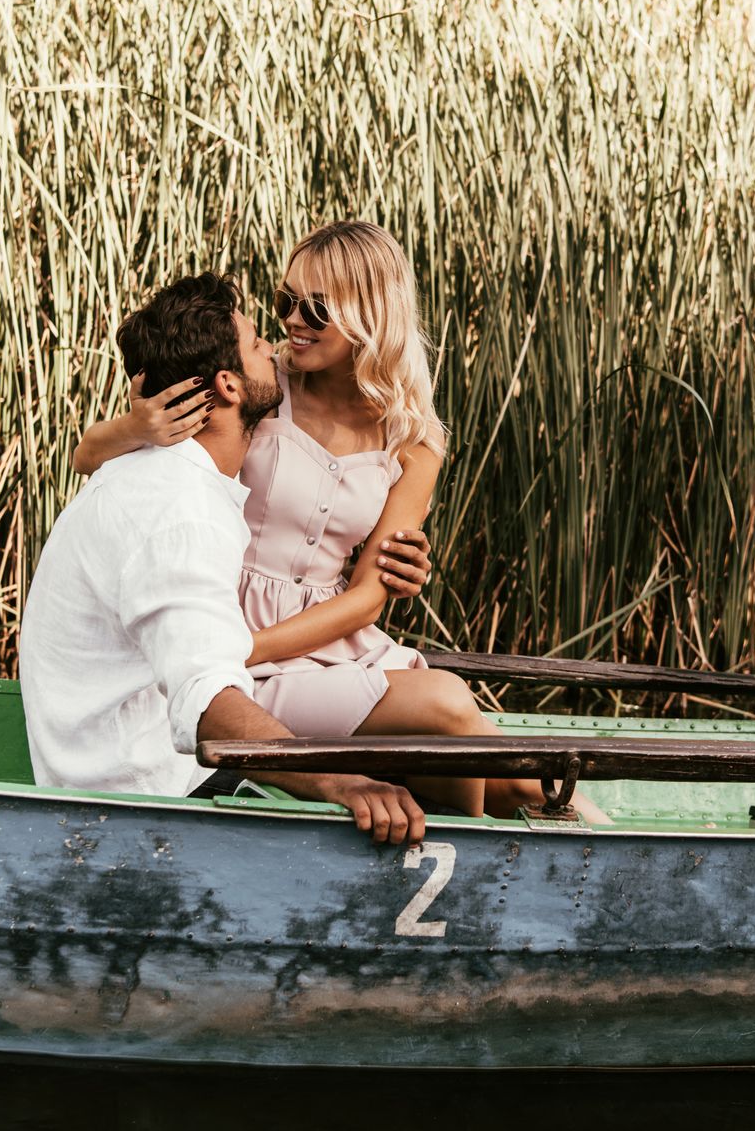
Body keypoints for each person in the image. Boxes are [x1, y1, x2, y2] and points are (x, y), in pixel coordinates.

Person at [73, 220, 606, 823]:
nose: (293, 321)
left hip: (330, 638)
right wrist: (134, 427)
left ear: (369, 314)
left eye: (317, 308)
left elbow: (369, 597)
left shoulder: (415, 439)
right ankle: (467, 845)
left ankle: (554, 839)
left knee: (517, 777)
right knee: (451, 709)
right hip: (222, 630)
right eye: (285, 301)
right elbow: (90, 460)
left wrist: (246, 649)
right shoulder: (261, 384)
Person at [17, 272, 426, 843]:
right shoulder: (182, 510)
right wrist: (337, 782)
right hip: (145, 792)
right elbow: (207, 701)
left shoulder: (155, 473)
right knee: (418, 758)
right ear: (230, 387)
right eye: (260, 344)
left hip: (127, 761)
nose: (276, 346)